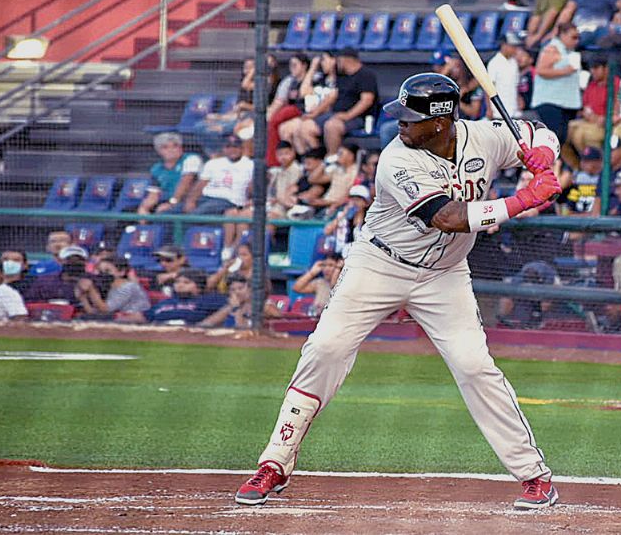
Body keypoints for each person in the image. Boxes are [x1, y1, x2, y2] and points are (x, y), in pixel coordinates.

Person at [234, 73, 563, 509]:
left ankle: (534, 476)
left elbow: (539, 132)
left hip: (444, 274)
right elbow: (447, 217)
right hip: (380, 263)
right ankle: (274, 463)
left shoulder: (485, 137)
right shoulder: (396, 159)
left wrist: (541, 155)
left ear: (442, 122)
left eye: (411, 119)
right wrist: (524, 200)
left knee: (473, 365)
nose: (400, 126)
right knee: (325, 348)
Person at [531, 23, 582, 145]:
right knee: (554, 137)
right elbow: (541, 70)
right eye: (573, 37)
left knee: (563, 138)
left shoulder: (569, 51)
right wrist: (566, 71)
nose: (576, 41)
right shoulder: (552, 49)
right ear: (563, 35)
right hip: (550, 102)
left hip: (564, 102)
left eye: (578, 38)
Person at [320, 48, 378, 155]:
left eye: (339, 60)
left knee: (331, 126)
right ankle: (316, 160)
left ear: (346, 60)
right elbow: (333, 96)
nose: (337, 63)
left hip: (358, 118)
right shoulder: (342, 75)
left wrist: (347, 115)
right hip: (336, 114)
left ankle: (332, 160)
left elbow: (367, 101)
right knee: (304, 127)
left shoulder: (366, 75)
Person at [565, 56, 618, 166]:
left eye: (596, 68)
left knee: (583, 135)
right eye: (591, 68)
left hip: (604, 123)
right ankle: (576, 168)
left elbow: (617, 109)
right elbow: (585, 107)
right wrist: (587, 114)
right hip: (589, 121)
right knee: (562, 133)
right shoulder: (592, 85)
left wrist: (603, 118)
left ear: (606, 69)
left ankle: (597, 168)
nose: (593, 71)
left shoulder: (615, 84)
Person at [123, 267, 225, 325]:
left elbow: (230, 308)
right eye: (177, 282)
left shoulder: (210, 300)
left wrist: (205, 325)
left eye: (186, 282)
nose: (180, 285)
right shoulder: (165, 303)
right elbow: (143, 317)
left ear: (198, 287)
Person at [137, 133, 202, 215]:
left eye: (175, 146)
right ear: (159, 151)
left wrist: (171, 203)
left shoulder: (192, 159)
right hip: (167, 200)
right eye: (165, 147)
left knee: (164, 213)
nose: (171, 150)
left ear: (181, 148)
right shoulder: (156, 168)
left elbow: (185, 184)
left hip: (188, 201)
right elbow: (153, 194)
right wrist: (144, 208)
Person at [266, 54, 311, 167]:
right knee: (283, 129)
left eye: (295, 65)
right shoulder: (289, 81)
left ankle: (298, 162)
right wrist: (269, 113)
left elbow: (304, 94)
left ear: (304, 66)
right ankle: (288, 162)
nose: (292, 68)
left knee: (287, 123)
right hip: (291, 114)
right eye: (290, 65)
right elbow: (279, 101)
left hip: (305, 111)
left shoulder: (312, 78)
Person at [75, 256, 151, 320]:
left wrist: (91, 289)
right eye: (100, 271)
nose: (103, 274)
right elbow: (93, 313)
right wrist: (82, 297)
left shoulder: (129, 286)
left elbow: (105, 310)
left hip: (136, 321)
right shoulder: (109, 286)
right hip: (119, 319)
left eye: (107, 271)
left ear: (121, 272)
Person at [199, 274, 281, 329]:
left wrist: (236, 309)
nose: (237, 292)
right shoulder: (232, 307)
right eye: (232, 290)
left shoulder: (266, 306)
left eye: (241, 288)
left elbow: (241, 328)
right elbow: (207, 323)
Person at [291, 253, 345, 317]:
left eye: (331, 265)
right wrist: (312, 273)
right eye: (324, 265)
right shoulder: (320, 283)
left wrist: (338, 269)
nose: (326, 269)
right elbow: (296, 288)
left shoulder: (344, 284)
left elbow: (334, 286)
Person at [487, 33, 524, 120]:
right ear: (504, 46)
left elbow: (515, 84)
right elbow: (488, 88)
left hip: (514, 110)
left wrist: (519, 98)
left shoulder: (514, 62)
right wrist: (489, 108)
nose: (515, 49)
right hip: (498, 111)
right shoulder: (494, 63)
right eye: (513, 46)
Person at [558, 146, 602, 216]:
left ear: (598, 162)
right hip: (578, 219)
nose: (583, 164)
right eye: (582, 160)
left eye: (587, 161)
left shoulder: (604, 178)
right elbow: (569, 207)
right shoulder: (579, 177)